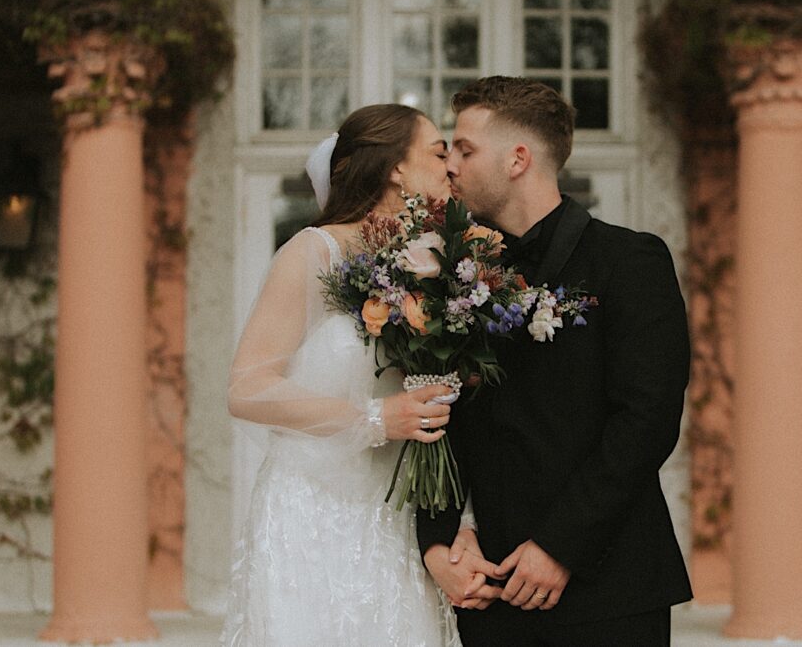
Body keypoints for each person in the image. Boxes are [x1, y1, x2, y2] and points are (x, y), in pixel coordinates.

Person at [417, 77, 693, 646]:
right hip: (487, 585)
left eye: (466, 150)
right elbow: (438, 415)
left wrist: (560, 546)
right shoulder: (452, 275)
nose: (452, 166)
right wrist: (443, 537)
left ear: (518, 159)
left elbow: (647, 420)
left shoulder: (628, 261)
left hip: (607, 584)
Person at [220, 104, 471, 646]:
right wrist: (376, 418)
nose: (450, 166)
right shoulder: (315, 251)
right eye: (437, 152)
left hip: (398, 516)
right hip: (315, 516)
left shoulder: (435, 263)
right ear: (396, 169)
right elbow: (246, 388)